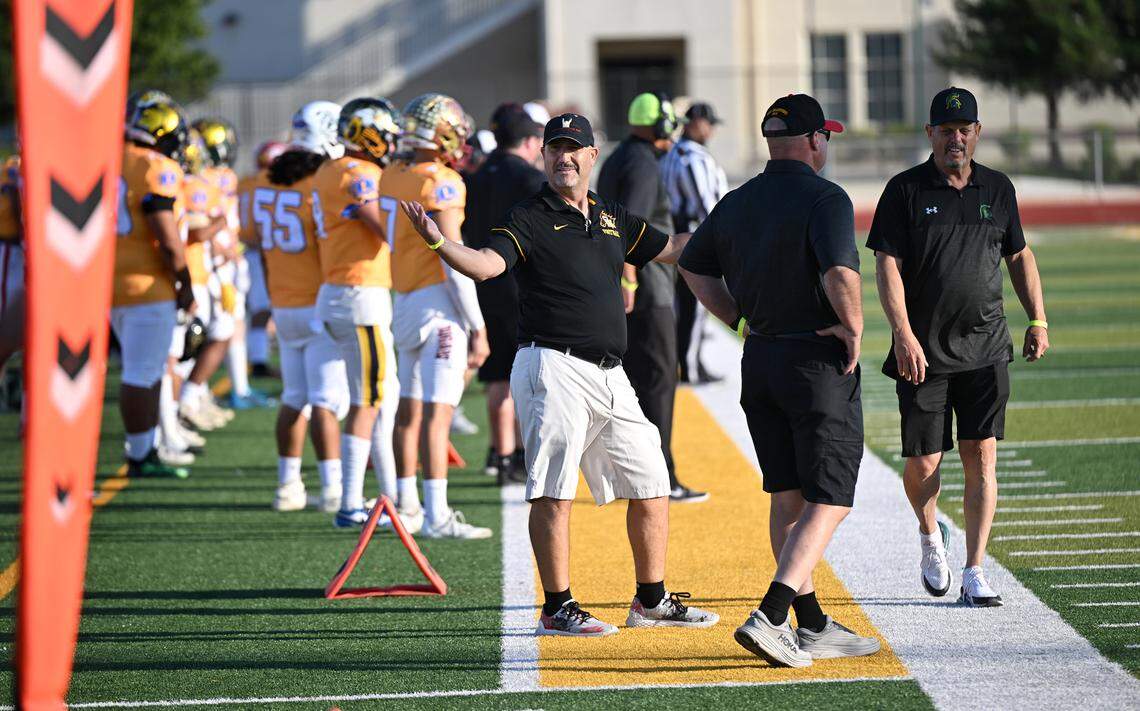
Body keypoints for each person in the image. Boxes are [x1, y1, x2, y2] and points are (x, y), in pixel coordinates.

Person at [399, 113, 718, 636]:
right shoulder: (527, 215)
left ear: (592, 156)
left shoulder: (610, 215)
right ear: (543, 156)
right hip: (551, 365)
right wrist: (439, 242)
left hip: (611, 374)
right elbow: (485, 265)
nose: (564, 157)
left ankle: (650, 600)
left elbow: (667, 249)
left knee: (652, 481)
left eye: (574, 148)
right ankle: (557, 606)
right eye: (554, 149)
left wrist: (725, 227)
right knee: (553, 490)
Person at [679, 94, 880, 666]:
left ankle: (811, 623)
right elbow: (840, 271)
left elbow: (693, 265)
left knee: (787, 494)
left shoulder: (739, 199)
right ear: (816, 139)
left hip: (760, 356)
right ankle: (772, 613)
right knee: (832, 496)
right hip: (814, 361)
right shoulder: (825, 196)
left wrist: (738, 319)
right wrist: (855, 328)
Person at [867, 87, 1049, 607]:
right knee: (924, 464)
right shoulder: (904, 190)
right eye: (946, 130)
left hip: (987, 347)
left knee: (981, 456)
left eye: (964, 128)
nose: (956, 137)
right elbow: (886, 265)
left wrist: (1037, 318)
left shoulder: (998, 187)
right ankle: (930, 538)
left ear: (977, 132)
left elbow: (1019, 256)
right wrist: (902, 333)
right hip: (922, 354)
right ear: (930, 134)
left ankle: (974, 570)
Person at [380, 93, 492, 540]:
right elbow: (453, 259)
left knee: (408, 410)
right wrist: (478, 326)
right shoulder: (442, 181)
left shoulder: (393, 173)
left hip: (402, 301)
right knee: (437, 413)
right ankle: (437, 514)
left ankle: (406, 505)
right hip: (438, 305)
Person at [598, 91, 706, 504]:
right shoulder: (642, 163)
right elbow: (632, 228)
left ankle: (635, 473)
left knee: (638, 383)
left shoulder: (620, 157)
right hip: (649, 287)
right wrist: (630, 281)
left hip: (633, 286)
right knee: (659, 381)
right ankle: (661, 476)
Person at [312, 97, 405, 529]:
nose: (389, 142)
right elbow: (383, 226)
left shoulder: (330, 169)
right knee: (367, 401)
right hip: (360, 295)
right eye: (384, 134)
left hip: (339, 291)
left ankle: (391, 496)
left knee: (379, 397)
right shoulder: (359, 173)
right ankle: (351, 502)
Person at [259, 101, 349, 513]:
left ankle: (287, 485)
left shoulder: (269, 180)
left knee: (295, 396)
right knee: (328, 401)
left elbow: (257, 241)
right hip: (317, 302)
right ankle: (332, 488)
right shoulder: (321, 182)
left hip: (284, 301)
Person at [462, 103, 545, 483]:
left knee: (497, 377)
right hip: (519, 283)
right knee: (525, 376)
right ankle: (522, 453)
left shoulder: (475, 176)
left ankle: (500, 454)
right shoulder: (528, 177)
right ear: (530, 141)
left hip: (481, 281)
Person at [114, 99, 196, 478]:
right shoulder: (154, 166)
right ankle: (140, 453)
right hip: (147, 284)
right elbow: (165, 233)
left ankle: (142, 449)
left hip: (110, 282)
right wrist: (184, 281)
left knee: (139, 370)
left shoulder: (110, 158)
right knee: (143, 373)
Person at [660, 101, 729, 384]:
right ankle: (689, 365)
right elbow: (704, 201)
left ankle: (688, 361)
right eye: (709, 123)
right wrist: (722, 234)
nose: (711, 130)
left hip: (680, 231)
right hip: (694, 232)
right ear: (696, 122)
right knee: (697, 300)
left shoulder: (673, 152)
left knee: (686, 301)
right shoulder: (691, 156)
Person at [177, 129, 235, 434]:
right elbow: (198, 233)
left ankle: (191, 399)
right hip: (192, 273)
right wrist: (221, 224)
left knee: (201, 340)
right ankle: (183, 405)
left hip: (200, 271)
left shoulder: (184, 184)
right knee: (189, 346)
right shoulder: (194, 187)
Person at [239, 140, 288, 378]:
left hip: (246, 250)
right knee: (262, 308)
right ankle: (257, 361)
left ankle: (258, 357)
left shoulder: (246, 182)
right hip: (260, 251)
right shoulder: (268, 183)